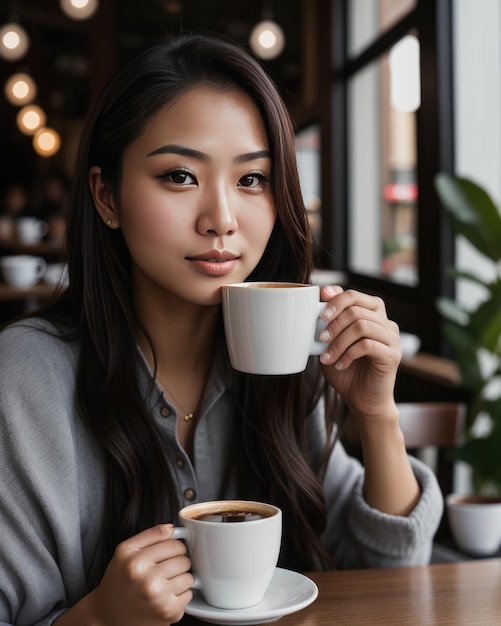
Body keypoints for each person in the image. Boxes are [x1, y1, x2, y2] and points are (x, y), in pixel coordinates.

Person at [0, 34, 443, 626]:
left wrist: (377, 414)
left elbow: (390, 581)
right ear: (107, 197)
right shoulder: (27, 378)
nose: (222, 220)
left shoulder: (282, 365)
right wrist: (99, 617)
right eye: (180, 176)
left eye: (252, 180)